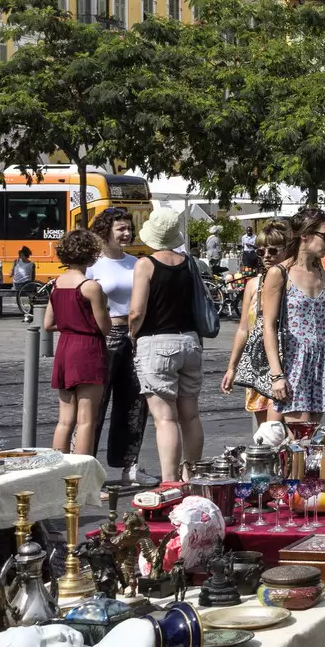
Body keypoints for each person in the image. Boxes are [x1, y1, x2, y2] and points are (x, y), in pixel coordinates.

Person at [128, 208, 206, 484]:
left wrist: (132, 333)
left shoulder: (145, 264)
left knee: (165, 419)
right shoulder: (189, 262)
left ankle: (170, 481)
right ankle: (192, 475)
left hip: (157, 343)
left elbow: (137, 311)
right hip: (190, 341)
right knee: (191, 415)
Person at [260, 209, 325, 431]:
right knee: (299, 438)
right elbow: (268, 326)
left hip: (322, 360)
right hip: (294, 361)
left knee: (311, 439)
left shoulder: (322, 274)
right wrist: (277, 375)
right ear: (305, 236)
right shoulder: (279, 273)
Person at [86, 207, 144, 485]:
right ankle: (88, 466)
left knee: (134, 403)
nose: (127, 233)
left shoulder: (136, 263)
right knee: (95, 405)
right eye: (120, 228)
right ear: (105, 231)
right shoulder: (92, 264)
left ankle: (129, 465)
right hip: (104, 337)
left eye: (129, 228)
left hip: (135, 336)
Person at [44, 229, 112, 456]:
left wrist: (70, 323)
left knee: (65, 420)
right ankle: (83, 478)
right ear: (92, 255)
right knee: (86, 420)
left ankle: (57, 470)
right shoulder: (90, 287)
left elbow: (48, 324)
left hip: (65, 347)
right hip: (87, 349)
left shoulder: (56, 284)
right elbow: (105, 327)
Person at [220, 221, 290, 430]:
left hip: (285, 364)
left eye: (273, 250)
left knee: (275, 432)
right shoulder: (253, 284)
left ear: (287, 249)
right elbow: (243, 329)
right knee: (264, 436)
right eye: (261, 251)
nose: (266, 255)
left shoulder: (291, 282)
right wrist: (232, 368)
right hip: (258, 365)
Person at [10, 246, 38, 324]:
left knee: (29, 291)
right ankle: (31, 312)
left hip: (17, 285)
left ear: (22, 255)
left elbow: (10, 274)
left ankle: (28, 312)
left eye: (20, 255)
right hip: (26, 285)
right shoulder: (32, 264)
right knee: (33, 292)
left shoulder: (16, 261)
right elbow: (33, 277)